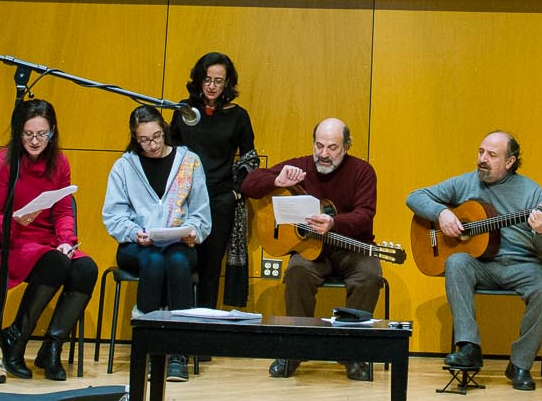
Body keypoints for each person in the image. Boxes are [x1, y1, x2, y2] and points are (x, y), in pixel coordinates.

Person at [406, 130, 542, 391]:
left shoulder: (531, 191)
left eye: (491, 155)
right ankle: (469, 348)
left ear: (510, 162)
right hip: (482, 265)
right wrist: (442, 213)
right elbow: (414, 197)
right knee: (456, 262)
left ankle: (520, 364)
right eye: (481, 152)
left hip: (522, 265)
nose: (482, 159)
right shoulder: (465, 183)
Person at [238, 116, 382, 381]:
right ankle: (295, 349)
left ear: (347, 146)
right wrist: (276, 180)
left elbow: (365, 214)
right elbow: (248, 184)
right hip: (310, 249)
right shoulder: (300, 166)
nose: (324, 154)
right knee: (297, 272)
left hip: (352, 248)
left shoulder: (363, 171)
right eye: (319, 146)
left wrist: (334, 222)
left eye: (332, 147)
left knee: (369, 276)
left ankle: (352, 353)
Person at [0, 98, 97, 381]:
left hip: (48, 243)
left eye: (42, 135)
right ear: (18, 132)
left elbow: (63, 210)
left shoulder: (59, 162)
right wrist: (14, 220)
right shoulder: (3, 163)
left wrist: (67, 240)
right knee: (55, 263)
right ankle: (16, 339)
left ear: (52, 132)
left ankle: (51, 348)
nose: (35, 141)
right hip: (14, 240)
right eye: (28, 134)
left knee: (86, 268)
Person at [102, 104, 212, 383]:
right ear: (134, 138)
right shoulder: (125, 166)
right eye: (144, 140)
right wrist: (134, 231)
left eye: (156, 137)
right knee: (152, 260)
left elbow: (202, 215)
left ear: (164, 131)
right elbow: (113, 216)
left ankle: (178, 353)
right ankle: (149, 348)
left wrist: (193, 233)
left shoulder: (189, 162)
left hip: (178, 243)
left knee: (175, 261)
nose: (151, 145)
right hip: (137, 244)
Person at [170, 51, 257, 308]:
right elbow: (169, 151)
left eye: (218, 81)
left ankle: (202, 339)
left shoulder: (238, 116)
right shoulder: (183, 111)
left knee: (210, 269)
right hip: (183, 199)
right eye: (207, 79)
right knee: (180, 262)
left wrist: (236, 191)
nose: (212, 86)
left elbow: (250, 158)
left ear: (227, 83)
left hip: (220, 200)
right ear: (198, 80)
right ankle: (177, 329)